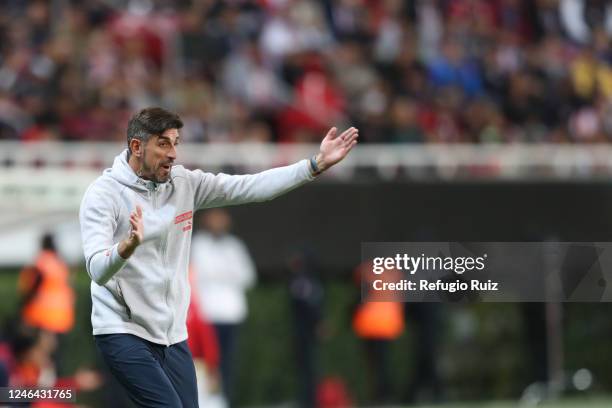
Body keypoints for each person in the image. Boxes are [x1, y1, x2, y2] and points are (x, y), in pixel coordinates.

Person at [79, 106, 358, 408]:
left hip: (171, 335)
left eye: (176, 143)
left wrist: (314, 165)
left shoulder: (185, 183)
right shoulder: (103, 194)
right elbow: (97, 269)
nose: (173, 153)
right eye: (163, 143)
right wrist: (126, 247)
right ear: (136, 146)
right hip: (123, 330)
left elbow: (251, 188)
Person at [190, 209, 255, 405]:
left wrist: (221, 274)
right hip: (206, 314)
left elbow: (248, 276)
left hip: (231, 313)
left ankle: (224, 400)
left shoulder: (235, 246)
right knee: (205, 363)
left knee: (227, 362)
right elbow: (196, 274)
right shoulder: (198, 244)